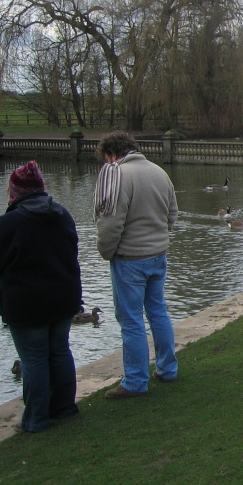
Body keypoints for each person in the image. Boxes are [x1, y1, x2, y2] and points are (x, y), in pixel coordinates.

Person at [0, 161, 82, 431]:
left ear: (14, 191)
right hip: (63, 298)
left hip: (27, 304)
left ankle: (36, 418)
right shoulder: (63, 215)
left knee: (33, 358)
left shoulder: (12, 222)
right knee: (60, 351)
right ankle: (65, 408)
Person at [94, 132, 179, 398]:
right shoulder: (159, 172)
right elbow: (172, 214)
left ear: (111, 154)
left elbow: (110, 222)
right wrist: (157, 238)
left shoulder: (116, 174)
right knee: (158, 312)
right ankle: (168, 368)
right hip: (158, 255)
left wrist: (107, 252)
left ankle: (135, 381)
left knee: (130, 320)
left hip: (129, 259)